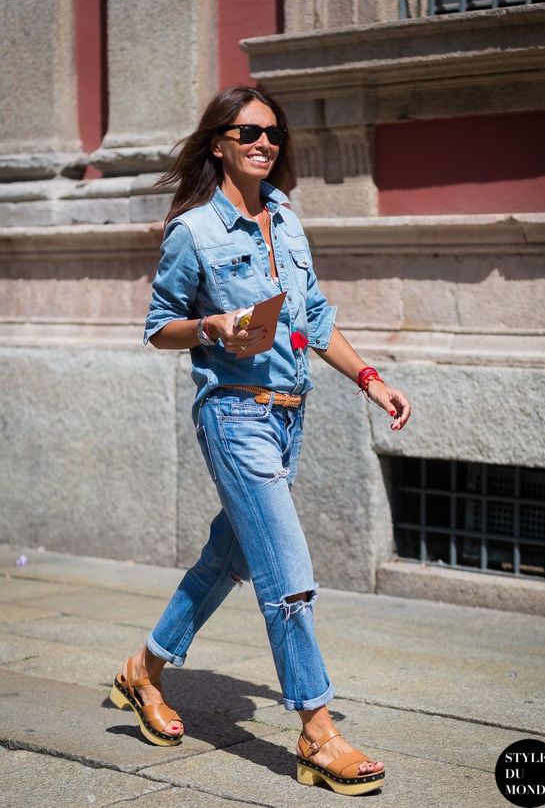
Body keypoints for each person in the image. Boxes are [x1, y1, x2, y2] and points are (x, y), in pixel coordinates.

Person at [110, 85, 411, 797]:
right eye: (247, 130)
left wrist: (369, 377)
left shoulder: (287, 219)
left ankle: (144, 671)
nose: (263, 142)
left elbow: (311, 322)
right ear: (218, 142)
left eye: (272, 132)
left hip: (287, 416)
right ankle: (317, 731)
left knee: (231, 556)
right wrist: (212, 327)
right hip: (234, 415)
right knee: (287, 576)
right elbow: (158, 327)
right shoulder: (194, 232)